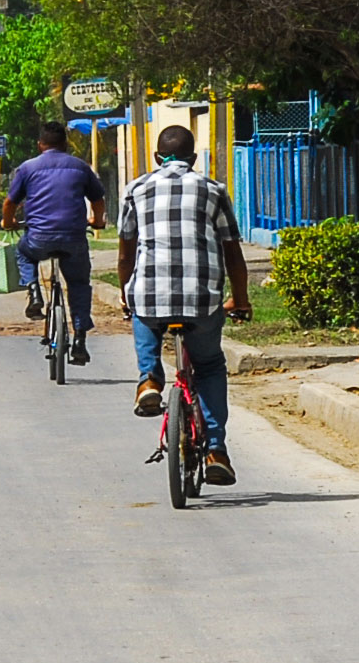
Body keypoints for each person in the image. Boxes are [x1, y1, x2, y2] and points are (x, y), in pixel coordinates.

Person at [117, 125, 251, 485]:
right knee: (208, 365)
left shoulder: (136, 189)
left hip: (151, 295)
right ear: (193, 159)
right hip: (202, 298)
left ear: (157, 158)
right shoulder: (213, 189)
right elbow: (232, 253)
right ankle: (216, 451)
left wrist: (125, 293)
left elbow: (126, 251)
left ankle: (148, 381)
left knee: (142, 309)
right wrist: (240, 298)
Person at [1, 122, 106, 365]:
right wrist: (97, 221)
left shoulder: (27, 168)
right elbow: (98, 198)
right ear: (66, 144)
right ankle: (79, 338)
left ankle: (33, 289)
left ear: (40, 145)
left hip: (38, 238)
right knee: (79, 283)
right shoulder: (81, 167)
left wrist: (9, 223)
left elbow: (9, 203)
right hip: (74, 238)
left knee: (24, 253)